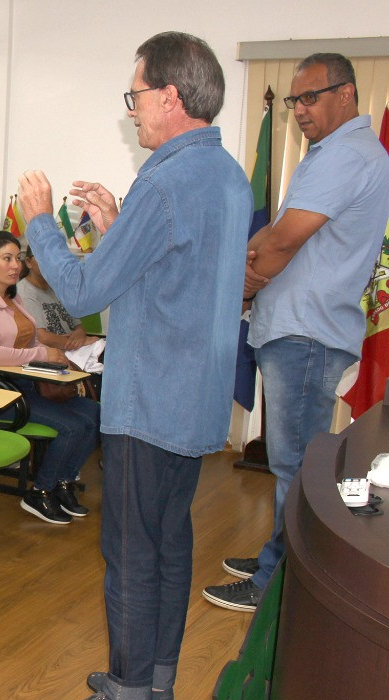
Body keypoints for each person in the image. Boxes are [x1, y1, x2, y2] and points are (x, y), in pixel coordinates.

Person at [16, 31, 251, 700]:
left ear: (171, 97)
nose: (133, 112)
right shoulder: (227, 176)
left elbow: (84, 284)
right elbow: (177, 268)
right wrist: (121, 225)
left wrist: (39, 219)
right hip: (196, 394)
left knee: (130, 550)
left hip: (151, 398)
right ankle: (154, 681)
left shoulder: (167, 180)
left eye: (137, 96)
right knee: (168, 542)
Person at [203, 53, 389, 613]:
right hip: (299, 326)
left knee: (296, 467)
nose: (300, 110)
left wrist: (237, 282)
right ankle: (278, 554)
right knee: (293, 463)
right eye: (294, 100)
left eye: (311, 97)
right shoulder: (337, 153)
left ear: (348, 95)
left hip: (306, 332)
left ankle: (276, 584)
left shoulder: (349, 154)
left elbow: (281, 242)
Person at [0, 231, 101, 525]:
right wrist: (43, 355)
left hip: (24, 383)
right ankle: (40, 491)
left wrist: (56, 357)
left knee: (95, 414)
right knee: (72, 426)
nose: (15, 266)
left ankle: (62, 484)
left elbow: (28, 343)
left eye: (18, 259)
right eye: (6, 259)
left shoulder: (13, 297)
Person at [17, 244, 101, 351]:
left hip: (75, 350)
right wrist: (82, 343)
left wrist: (80, 335)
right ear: (28, 262)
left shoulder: (59, 287)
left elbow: (79, 327)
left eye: (53, 258)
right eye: (42, 257)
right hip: (53, 355)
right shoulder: (23, 292)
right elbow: (42, 338)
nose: (49, 263)